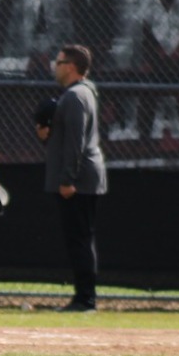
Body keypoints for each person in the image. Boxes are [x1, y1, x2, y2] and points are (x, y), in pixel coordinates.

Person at [43, 43, 105, 313]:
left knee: (79, 238)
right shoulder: (79, 93)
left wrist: (68, 179)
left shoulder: (76, 96)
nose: (54, 68)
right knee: (80, 237)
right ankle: (84, 296)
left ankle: (85, 299)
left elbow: (76, 143)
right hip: (81, 177)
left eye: (58, 63)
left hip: (78, 180)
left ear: (70, 66)